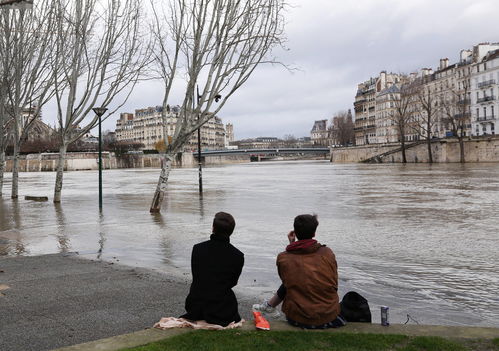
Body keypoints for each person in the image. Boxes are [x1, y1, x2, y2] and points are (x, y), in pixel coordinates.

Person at [253, 214, 345, 329]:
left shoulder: (283, 258)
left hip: (298, 318)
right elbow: (334, 284)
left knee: (294, 279)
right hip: (328, 316)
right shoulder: (327, 253)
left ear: (295, 232)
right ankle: (269, 305)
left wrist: (292, 244)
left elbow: (289, 281)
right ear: (314, 233)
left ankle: (269, 305)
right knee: (299, 278)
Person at [180, 212, 244, 327]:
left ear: (213, 228)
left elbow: (197, 276)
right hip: (221, 308)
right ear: (231, 231)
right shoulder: (238, 255)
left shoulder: (198, 249)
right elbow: (233, 282)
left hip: (196, 304)